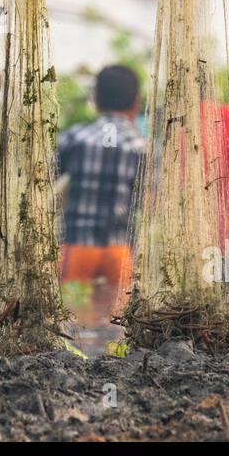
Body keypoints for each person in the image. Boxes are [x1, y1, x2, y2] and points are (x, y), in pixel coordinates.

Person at [56, 64, 146, 327]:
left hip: (76, 246)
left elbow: (43, 179)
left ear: (94, 99)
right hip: (119, 250)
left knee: (72, 324)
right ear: (135, 101)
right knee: (116, 327)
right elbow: (147, 201)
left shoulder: (75, 138)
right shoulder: (141, 147)